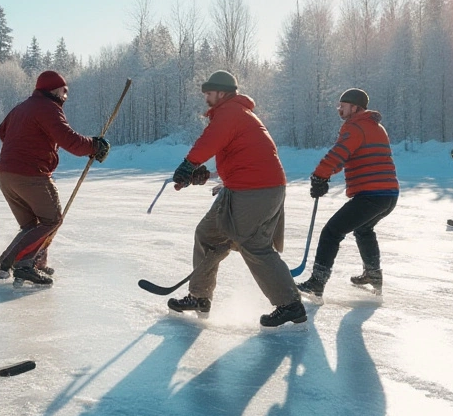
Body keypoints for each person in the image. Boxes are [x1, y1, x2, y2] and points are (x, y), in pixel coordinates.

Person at [166, 71, 307, 328]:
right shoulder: (237, 114)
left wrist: (188, 164)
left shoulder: (230, 112)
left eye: (209, 92)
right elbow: (242, 158)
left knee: (253, 244)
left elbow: (209, 142)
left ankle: (290, 304)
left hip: (256, 190)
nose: (205, 97)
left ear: (222, 92)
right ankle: (199, 297)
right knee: (208, 235)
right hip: (245, 186)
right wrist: (205, 174)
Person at [0, 70, 109, 286]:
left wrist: (25, 144)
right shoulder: (47, 108)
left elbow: (3, 132)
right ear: (53, 89)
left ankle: (27, 263)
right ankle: (20, 264)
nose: (66, 96)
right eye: (64, 91)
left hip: (6, 176)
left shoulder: (21, 108)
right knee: (52, 220)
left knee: (31, 226)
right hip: (30, 175)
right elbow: (69, 140)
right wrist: (94, 145)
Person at [297, 88, 399, 298]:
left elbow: (339, 153)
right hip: (388, 195)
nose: (339, 109)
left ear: (355, 107)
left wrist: (320, 176)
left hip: (371, 195)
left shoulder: (355, 127)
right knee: (363, 229)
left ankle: (317, 281)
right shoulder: (375, 127)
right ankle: (373, 274)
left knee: (331, 232)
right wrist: (327, 175)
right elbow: (352, 155)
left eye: (342, 106)